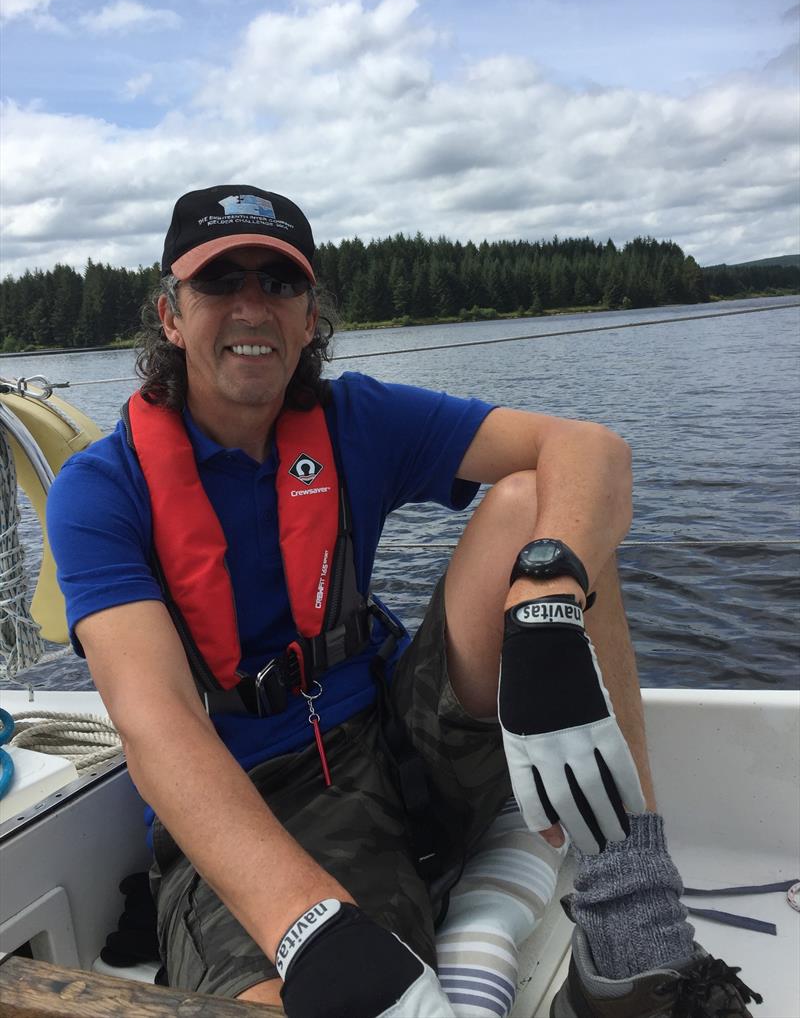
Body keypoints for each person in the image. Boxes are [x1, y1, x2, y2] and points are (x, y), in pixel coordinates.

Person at [48, 185, 761, 1018]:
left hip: (406, 736)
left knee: (544, 504)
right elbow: (155, 720)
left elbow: (591, 449)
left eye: (279, 284)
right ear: (170, 314)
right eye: (219, 282)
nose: (252, 305)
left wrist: (545, 594)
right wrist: (309, 925)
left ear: (310, 317)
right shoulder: (103, 490)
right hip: (263, 793)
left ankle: (633, 935)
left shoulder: (356, 419)